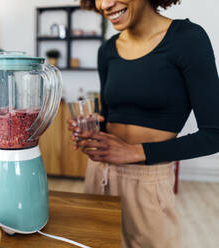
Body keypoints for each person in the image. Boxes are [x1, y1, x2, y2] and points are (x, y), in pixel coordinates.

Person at [68, 0, 219, 247]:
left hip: (148, 183)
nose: (105, 4)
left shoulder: (187, 39)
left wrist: (133, 152)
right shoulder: (106, 51)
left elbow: (214, 134)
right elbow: (109, 115)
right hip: (98, 174)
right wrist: (91, 127)